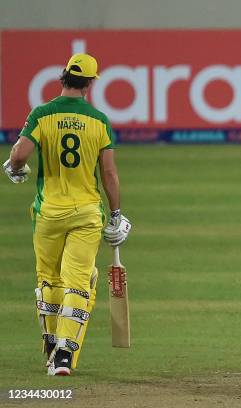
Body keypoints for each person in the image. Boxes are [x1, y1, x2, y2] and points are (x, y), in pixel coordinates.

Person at [3, 53, 132, 376]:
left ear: (62, 78)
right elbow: (109, 173)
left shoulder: (42, 114)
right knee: (78, 283)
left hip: (49, 212)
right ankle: (64, 356)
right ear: (89, 84)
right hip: (86, 213)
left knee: (49, 280)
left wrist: (15, 168)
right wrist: (116, 214)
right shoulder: (98, 120)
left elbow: (19, 153)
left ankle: (50, 344)